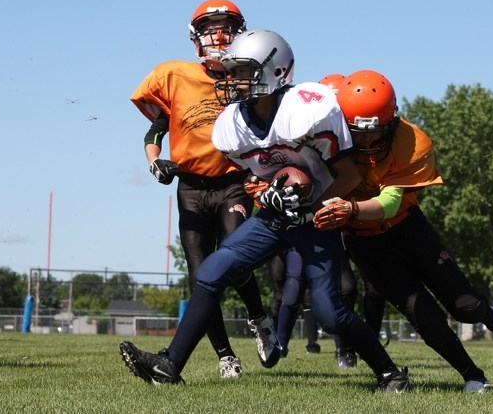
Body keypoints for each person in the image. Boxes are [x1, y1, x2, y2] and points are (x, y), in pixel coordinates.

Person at [119, 30, 411, 392]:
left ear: (275, 71)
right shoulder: (231, 125)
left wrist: (312, 206)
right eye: (233, 72)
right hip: (276, 216)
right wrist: (264, 191)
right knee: (210, 272)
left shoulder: (308, 108)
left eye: (243, 71)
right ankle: (170, 364)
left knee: (329, 312)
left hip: (316, 217)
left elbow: (349, 175)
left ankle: (390, 373)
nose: (233, 80)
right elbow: (258, 174)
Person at [313, 69, 493, 393]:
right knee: (423, 315)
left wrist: (351, 208)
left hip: (406, 227)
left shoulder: (412, 143)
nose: (367, 142)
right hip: (365, 242)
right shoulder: (325, 139)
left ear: (392, 120)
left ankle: (492, 317)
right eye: (357, 134)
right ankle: (473, 374)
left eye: (375, 133)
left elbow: (388, 203)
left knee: (464, 306)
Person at [129, 0, 274, 379]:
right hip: (191, 187)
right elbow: (154, 131)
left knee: (234, 255)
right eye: (212, 26)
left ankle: (259, 318)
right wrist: (154, 160)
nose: (220, 34)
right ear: (196, 38)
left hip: (233, 184)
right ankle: (226, 355)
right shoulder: (175, 76)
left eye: (227, 25)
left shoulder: (248, 79)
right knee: (200, 277)